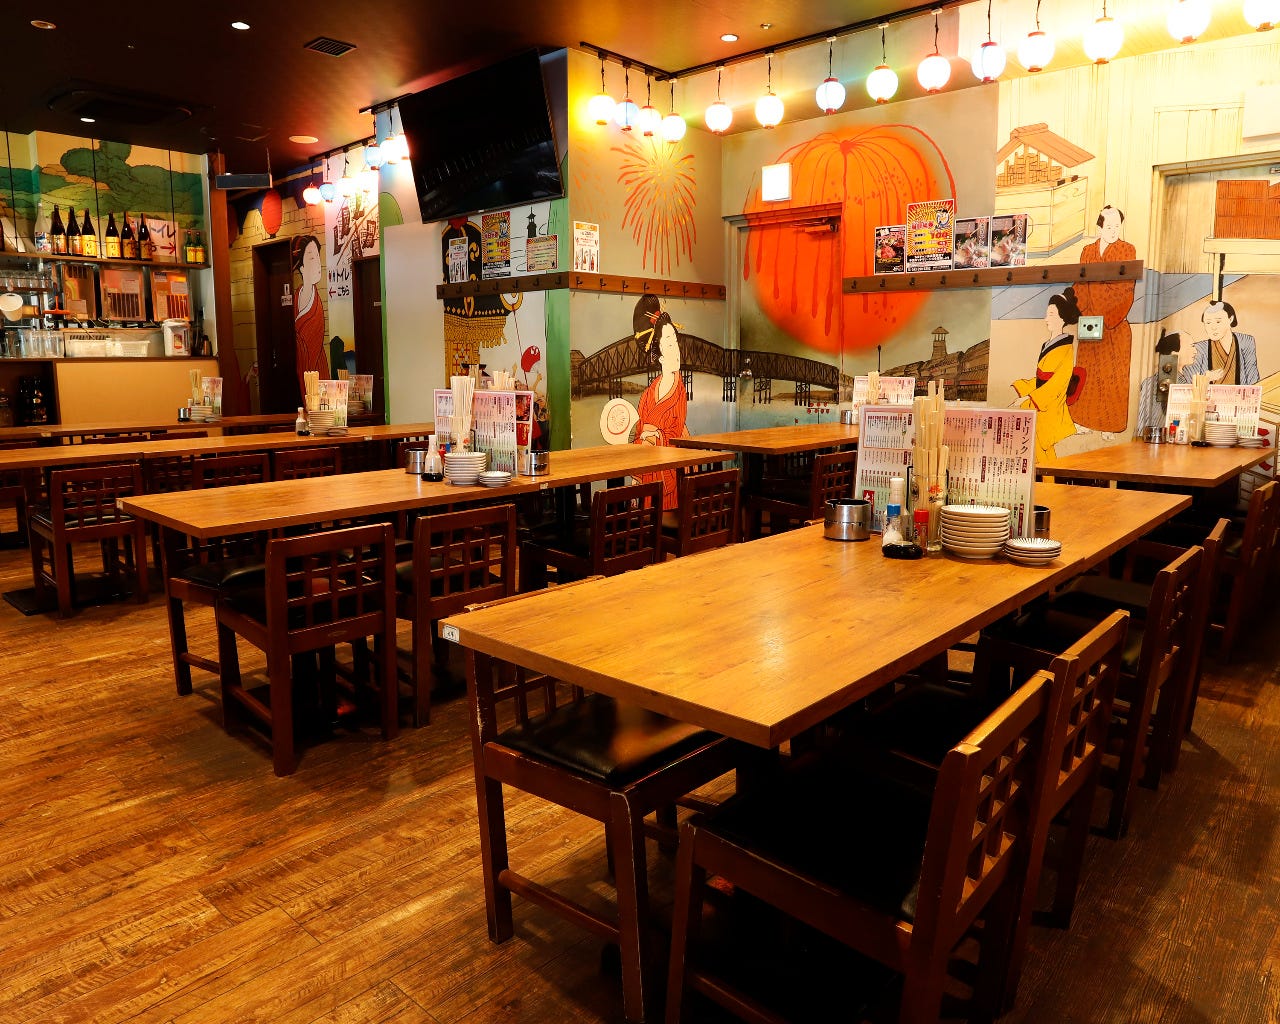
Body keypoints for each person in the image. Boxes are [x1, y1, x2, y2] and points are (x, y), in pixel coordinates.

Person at [1073, 205, 1137, 432]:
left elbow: (1124, 289)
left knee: (1113, 376)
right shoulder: (1087, 251)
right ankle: (1083, 420)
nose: (1113, 231)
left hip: (1114, 324)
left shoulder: (1127, 250)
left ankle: (1111, 426)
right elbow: (1079, 285)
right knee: (1087, 372)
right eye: (1109, 226)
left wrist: (1100, 306)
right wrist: (1084, 310)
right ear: (1099, 228)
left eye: (1117, 226)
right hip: (1089, 320)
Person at [1012, 286, 1084, 462]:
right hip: (1041, 399)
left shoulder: (1066, 349)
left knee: (1041, 448)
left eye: (1051, 314)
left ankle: (1049, 479)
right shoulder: (1047, 344)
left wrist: (1030, 398)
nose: (1046, 319)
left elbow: (1057, 383)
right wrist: (1025, 389)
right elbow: (1040, 378)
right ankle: (1046, 478)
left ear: (1062, 317)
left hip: (1050, 404)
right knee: (1038, 449)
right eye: (1047, 314)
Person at [633, 310, 688, 513]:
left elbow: (675, 433)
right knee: (647, 516)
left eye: (676, 342)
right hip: (649, 462)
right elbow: (639, 433)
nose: (676, 349)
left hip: (670, 461)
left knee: (666, 514)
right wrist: (636, 476)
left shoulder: (679, 391)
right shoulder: (648, 394)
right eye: (669, 343)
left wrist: (655, 436)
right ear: (660, 356)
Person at [1178, 299, 1259, 386]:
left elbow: (1252, 377)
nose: (1213, 327)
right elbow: (1189, 383)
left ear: (1230, 319)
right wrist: (1205, 378)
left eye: (1218, 321)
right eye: (1208, 323)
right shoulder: (1199, 348)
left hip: (1240, 394)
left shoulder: (1246, 341)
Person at [292, 235, 329, 396]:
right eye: (312, 258)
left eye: (318, 257)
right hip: (301, 368)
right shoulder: (296, 296)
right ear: (301, 267)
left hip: (317, 368)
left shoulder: (316, 303)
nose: (318, 264)